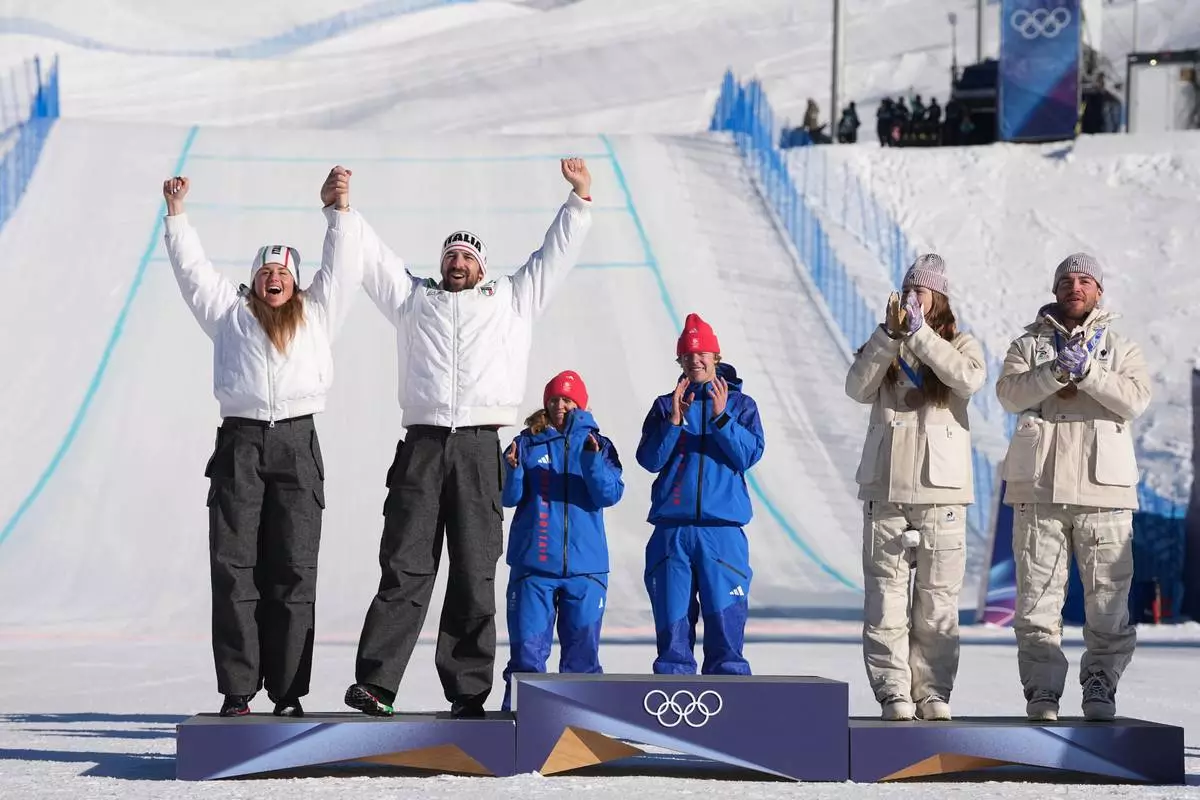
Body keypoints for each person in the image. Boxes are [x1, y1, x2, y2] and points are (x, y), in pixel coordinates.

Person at [337, 158, 594, 718]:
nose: (458, 262)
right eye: (451, 255)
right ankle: (376, 685)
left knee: (475, 571)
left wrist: (577, 202)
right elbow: (374, 258)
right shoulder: (413, 300)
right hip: (423, 446)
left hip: (481, 448)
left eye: (468, 257)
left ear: (482, 267)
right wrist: (344, 210)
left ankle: (467, 693)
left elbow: (552, 259)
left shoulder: (510, 300)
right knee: (405, 566)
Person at [162, 168, 362, 718]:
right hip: (240, 446)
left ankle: (289, 694)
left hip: (298, 444)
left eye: (283, 272)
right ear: (254, 280)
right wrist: (177, 217)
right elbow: (192, 273)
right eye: (266, 271)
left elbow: (343, 267)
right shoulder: (230, 315)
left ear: (297, 282)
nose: (274, 278)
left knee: (294, 571)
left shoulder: (319, 314)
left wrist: (338, 209)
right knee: (234, 569)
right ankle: (237, 691)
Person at [996, 253, 1151, 722]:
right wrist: (1057, 371)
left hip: (1103, 494)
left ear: (1099, 291)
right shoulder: (1028, 345)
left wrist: (1089, 372)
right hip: (1039, 491)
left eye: (1085, 280)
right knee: (1037, 602)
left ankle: (1101, 684)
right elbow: (1010, 395)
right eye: (1066, 280)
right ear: (1055, 289)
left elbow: (1135, 401)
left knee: (1107, 602)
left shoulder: (1122, 348)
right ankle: (1042, 690)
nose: (1074, 287)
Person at [845, 254, 985, 722]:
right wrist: (889, 337)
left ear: (938, 297)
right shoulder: (883, 340)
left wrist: (922, 335)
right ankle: (892, 690)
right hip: (885, 488)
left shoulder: (960, 342)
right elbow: (857, 388)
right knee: (884, 598)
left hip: (940, 492)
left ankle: (933, 692)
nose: (911, 299)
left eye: (920, 292)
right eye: (907, 291)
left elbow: (967, 379)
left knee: (937, 601)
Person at [636, 313, 765, 675]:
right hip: (671, 532)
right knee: (673, 628)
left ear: (716, 356)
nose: (695, 360)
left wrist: (722, 419)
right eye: (688, 355)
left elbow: (748, 455)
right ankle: (672, 707)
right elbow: (649, 459)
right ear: (679, 361)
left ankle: (730, 705)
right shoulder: (666, 404)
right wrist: (674, 422)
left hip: (721, 532)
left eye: (702, 353)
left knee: (725, 631)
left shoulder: (742, 406)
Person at [499, 371, 624, 710]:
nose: (560, 406)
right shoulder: (525, 442)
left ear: (580, 404)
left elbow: (610, 494)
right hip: (533, 568)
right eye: (554, 399)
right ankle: (518, 728)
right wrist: (512, 472)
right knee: (527, 657)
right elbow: (507, 499)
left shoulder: (598, 444)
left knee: (582, 659)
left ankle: (583, 729)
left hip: (586, 569)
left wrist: (592, 463)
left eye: (568, 400)